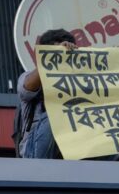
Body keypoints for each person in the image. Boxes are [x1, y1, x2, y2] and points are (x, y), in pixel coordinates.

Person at [16, 29, 77, 159]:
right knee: (57, 114)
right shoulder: (28, 77)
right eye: (57, 52)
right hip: (34, 152)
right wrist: (53, 57)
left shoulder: (81, 82)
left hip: (71, 150)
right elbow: (26, 89)